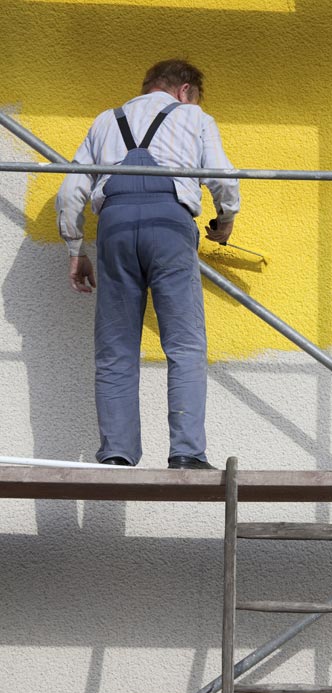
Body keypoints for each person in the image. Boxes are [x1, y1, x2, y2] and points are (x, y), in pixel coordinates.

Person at [56, 59, 240, 468]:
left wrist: (75, 248)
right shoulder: (193, 117)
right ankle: (187, 454)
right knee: (185, 345)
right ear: (185, 90)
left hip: (115, 228)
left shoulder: (106, 121)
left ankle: (117, 454)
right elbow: (223, 176)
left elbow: (71, 190)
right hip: (169, 225)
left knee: (116, 348)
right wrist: (225, 219)